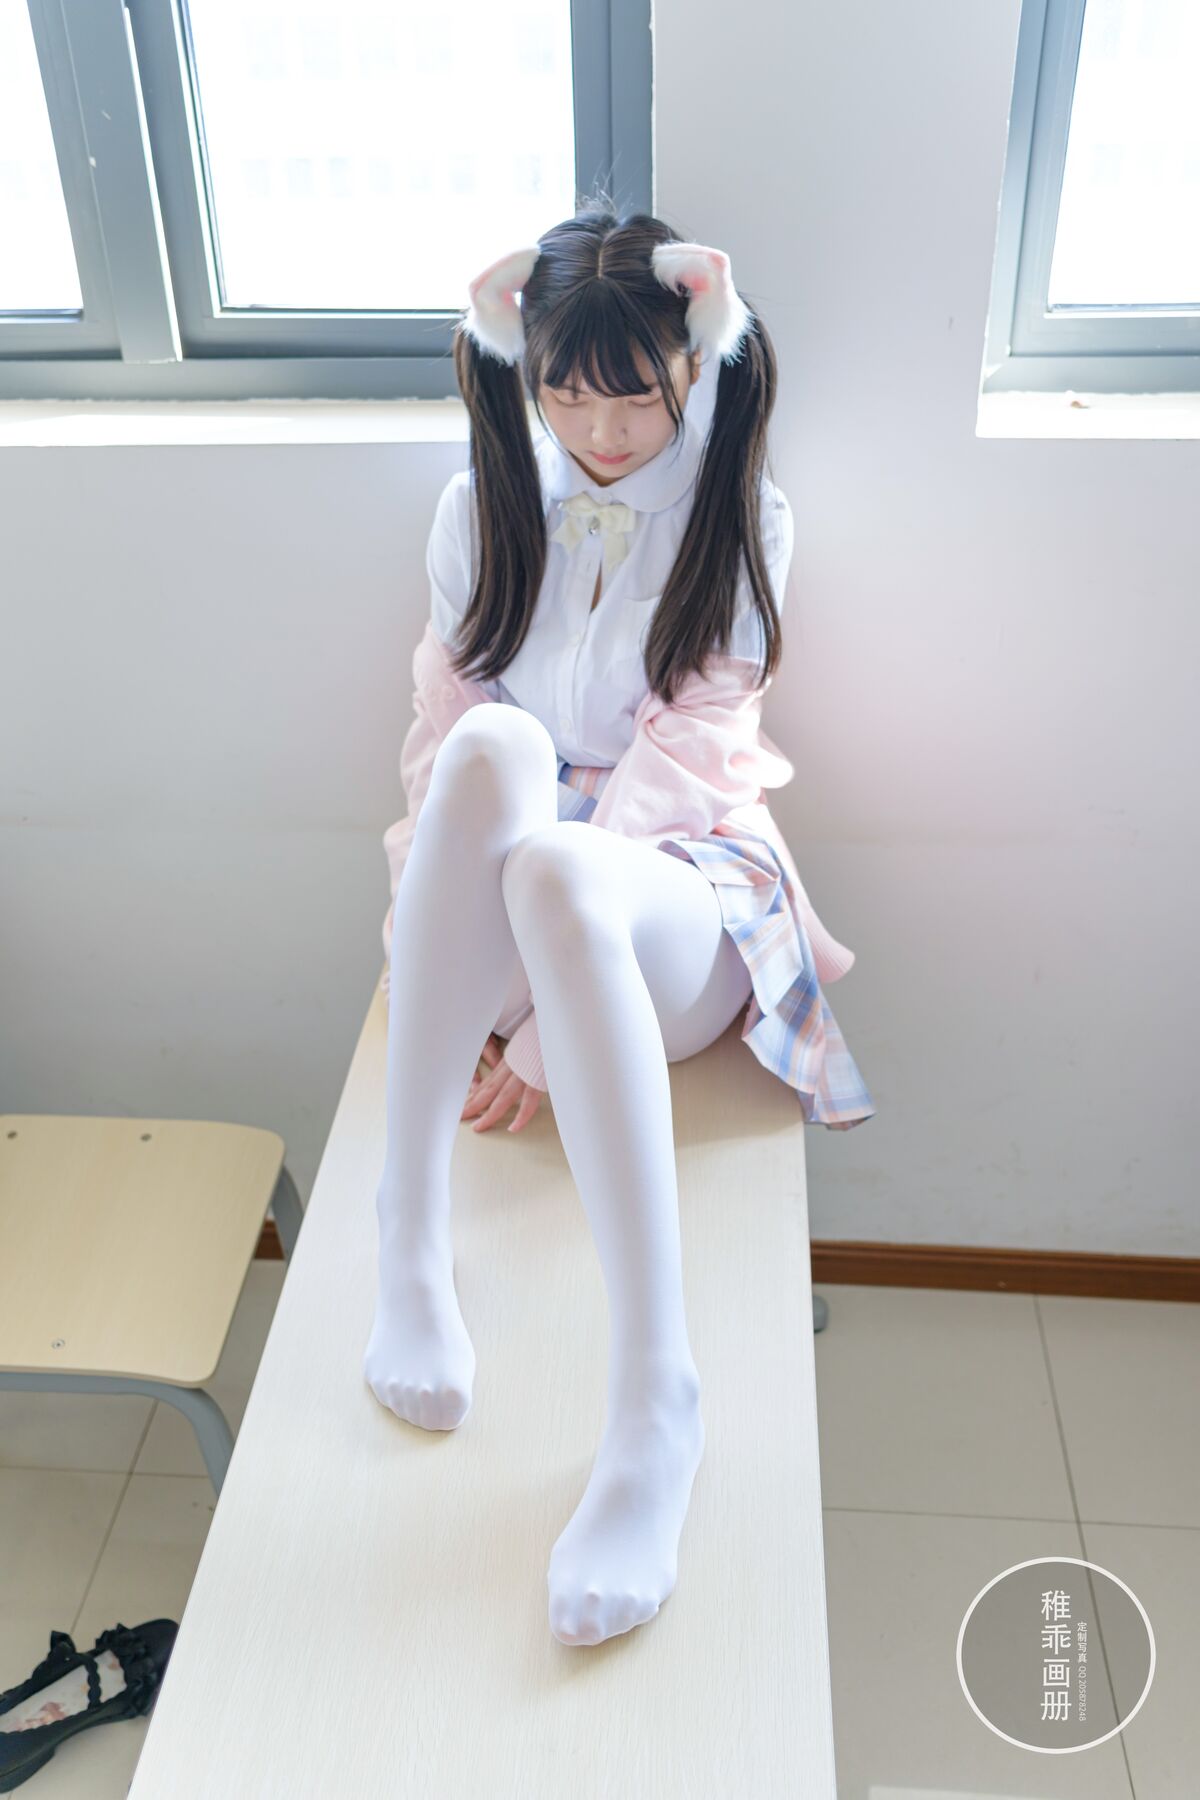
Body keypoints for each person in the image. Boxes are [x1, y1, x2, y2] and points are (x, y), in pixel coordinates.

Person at [364, 198, 876, 1649]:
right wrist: (474, 962)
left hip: (672, 891)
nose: (599, 429)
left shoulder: (742, 513)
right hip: (508, 873)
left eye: (633, 395)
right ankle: (409, 1235)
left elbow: (697, 753)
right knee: (490, 753)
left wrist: (531, 1025)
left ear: (692, 362)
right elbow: (445, 740)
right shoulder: (481, 506)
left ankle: (657, 1402)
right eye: (566, 393)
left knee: (562, 875)